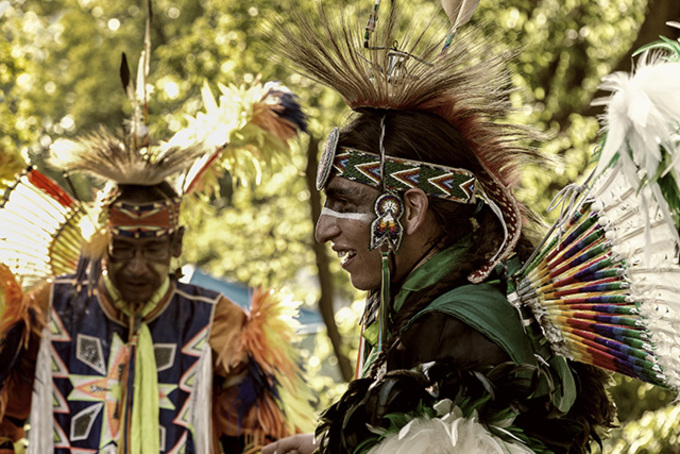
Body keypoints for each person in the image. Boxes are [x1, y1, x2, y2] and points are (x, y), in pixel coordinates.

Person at [264, 1, 616, 453]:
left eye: (343, 202)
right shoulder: (451, 302)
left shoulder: (455, 327)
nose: (323, 230)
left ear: (409, 210)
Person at [0, 43, 313, 454]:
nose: (136, 266)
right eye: (123, 248)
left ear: (176, 243)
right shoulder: (50, 308)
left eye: (152, 249)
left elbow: (252, 439)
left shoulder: (218, 321)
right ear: (101, 244)